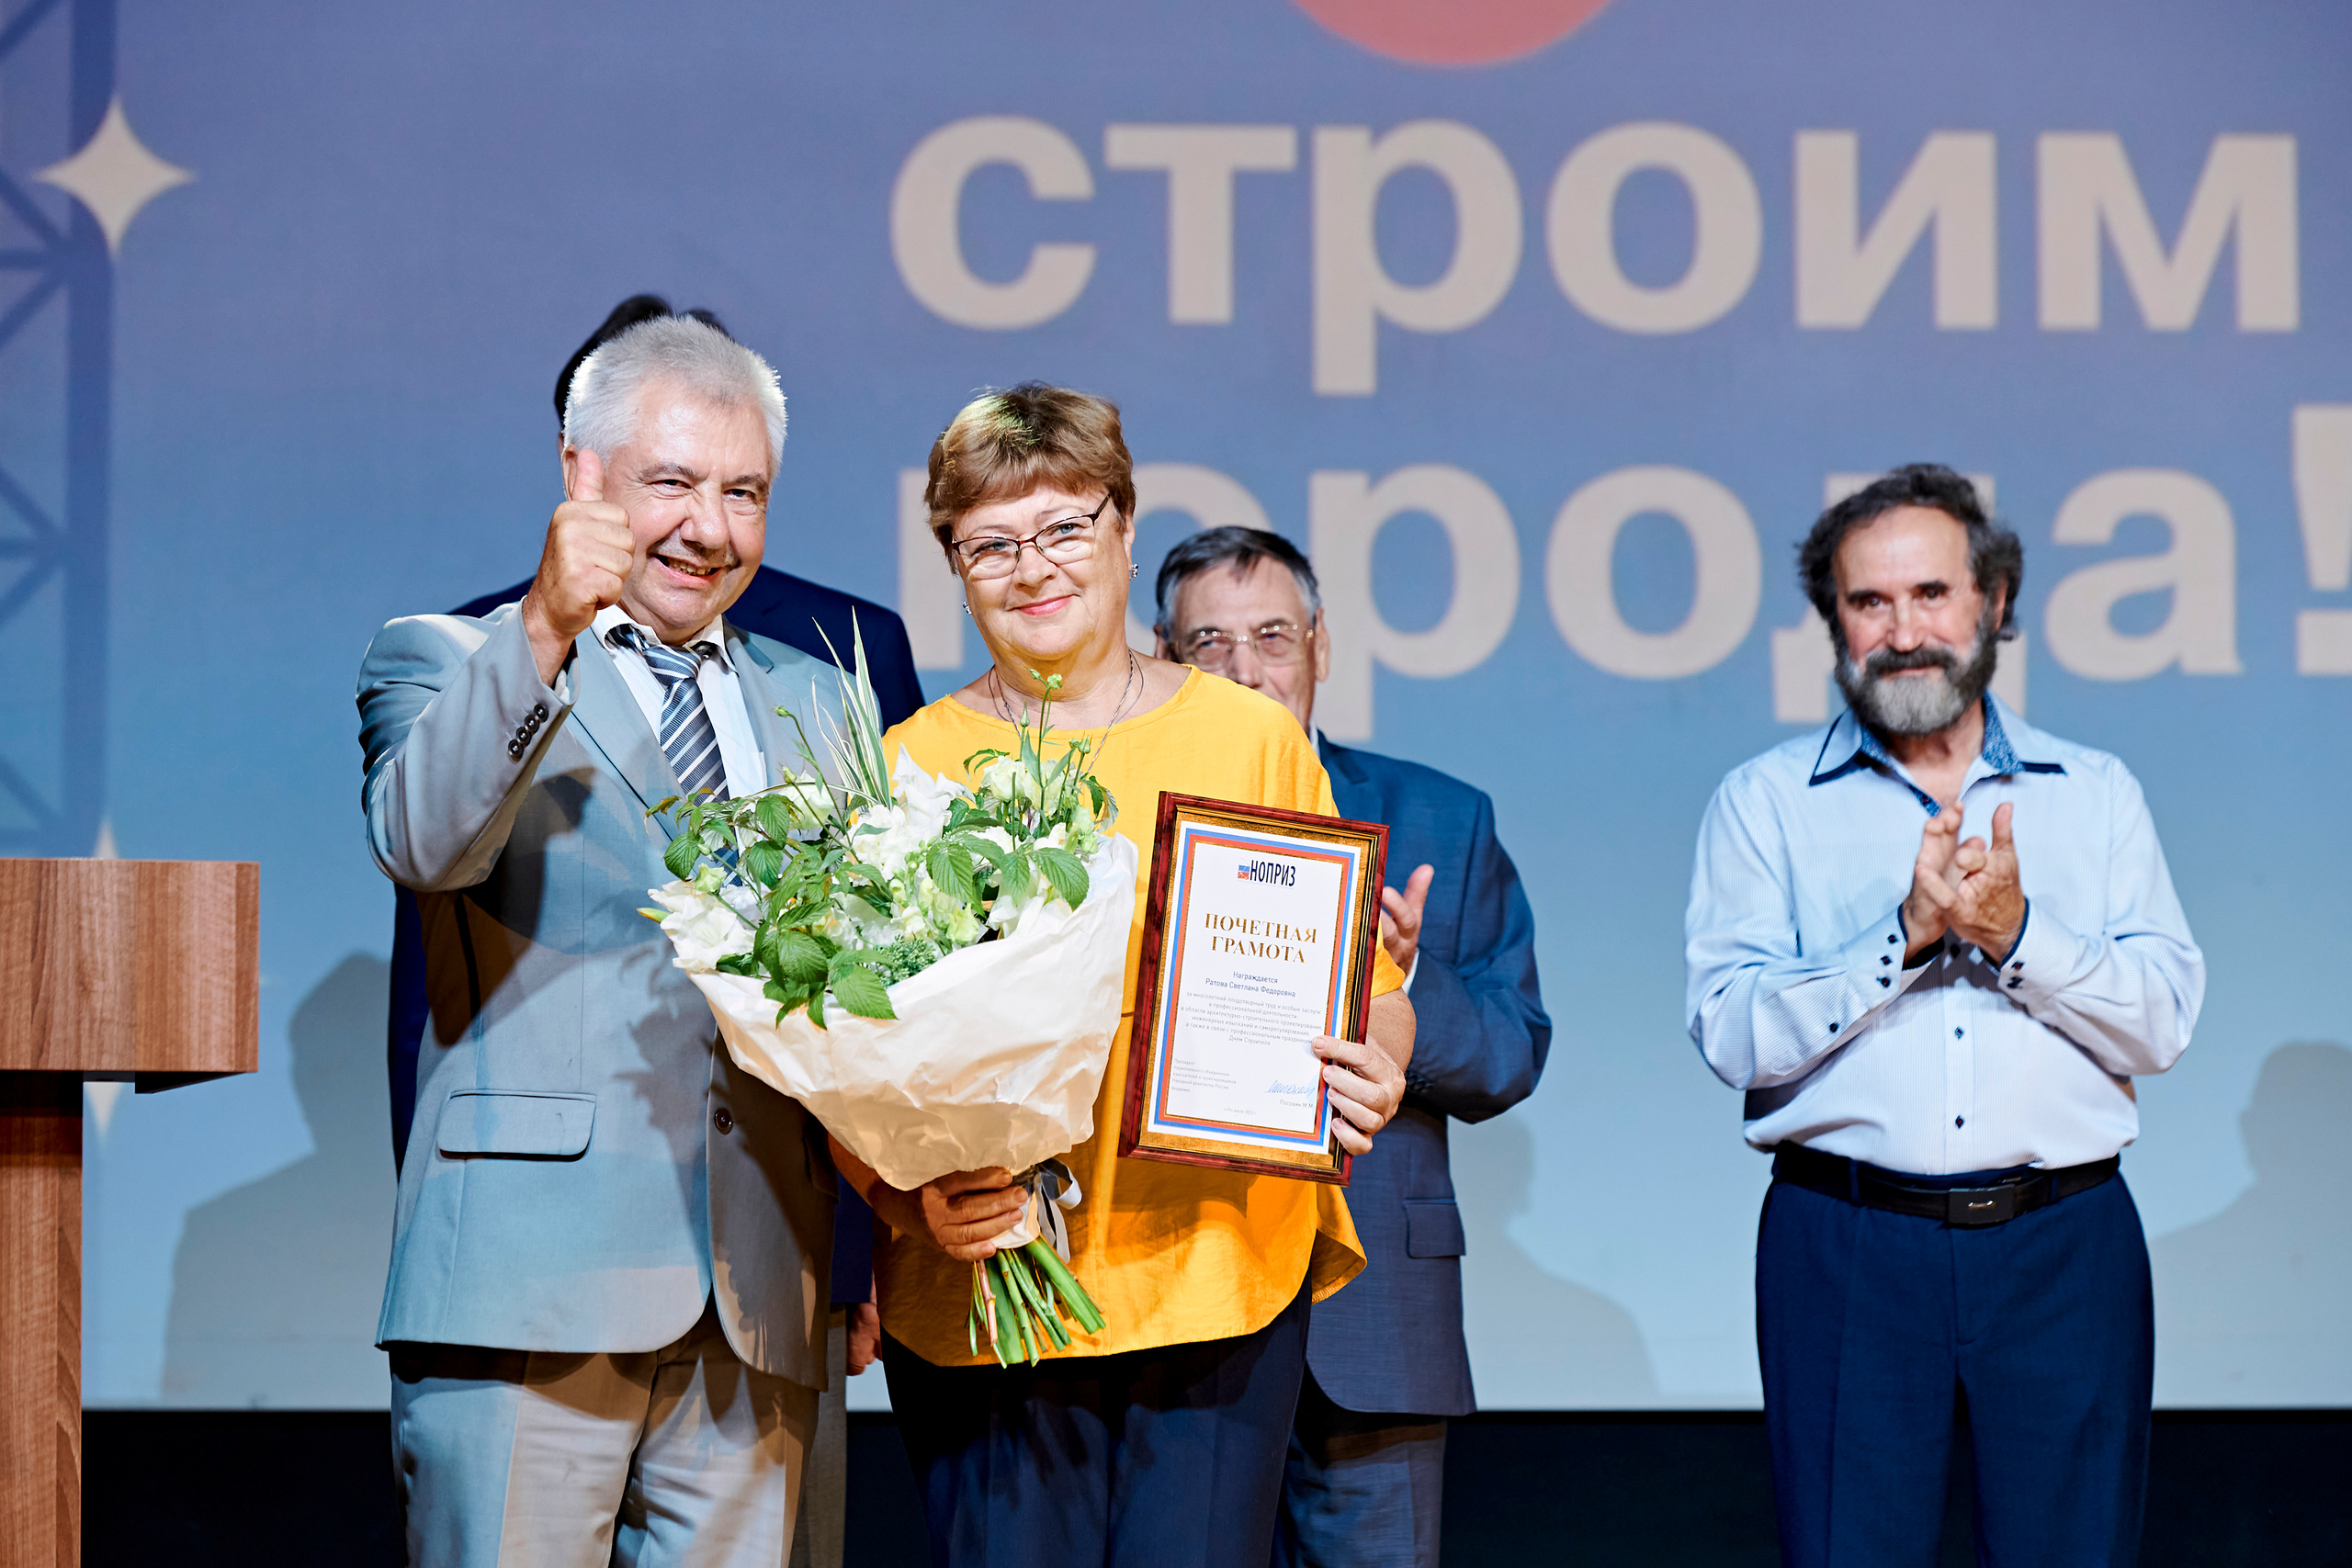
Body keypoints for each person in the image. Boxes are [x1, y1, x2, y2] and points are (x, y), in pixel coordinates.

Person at [834, 383, 1417, 1567]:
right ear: (952, 564)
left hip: (1214, 1268)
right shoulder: (904, 768)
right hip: (989, 1290)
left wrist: (1377, 1070)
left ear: (1124, 529)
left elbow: (1369, 992)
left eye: (1063, 527)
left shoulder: (1248, 740)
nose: (1032, 568)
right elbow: (844, 1058)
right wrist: (909, 1195)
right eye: (990, 543)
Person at [380, 294, 920, 1568]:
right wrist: (543, 630)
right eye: (671, 482)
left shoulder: (822, 705)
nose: (710, 527)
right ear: (583, 476)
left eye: (745, 492)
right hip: (528, 1291)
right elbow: (424, 841)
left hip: (756, 1300)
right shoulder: (451, 656)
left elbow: (865, 996)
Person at [1684, 465, 2204, 1568]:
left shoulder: (2095, 792)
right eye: (1868, 602)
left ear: (1993, 601)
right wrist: (1901, 941)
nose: (1903, 632)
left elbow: (2161, 1023)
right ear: (1833, 621)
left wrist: (2018, 936)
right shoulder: (1763, 803)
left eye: (1930, 594)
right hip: (1845, 1244)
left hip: (2063, 1245)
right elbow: (1730, 1032)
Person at [1152, 526, 1551, 1568]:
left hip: (1373, 1323)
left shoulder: (1439, 818)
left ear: (1320, 646)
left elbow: (1511, 1051)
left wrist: (1405, 984)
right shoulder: (1123, 822)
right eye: (1208, 643)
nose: (1245, 670)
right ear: (1162, 655)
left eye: (1272, 636)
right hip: (1174, 1305)